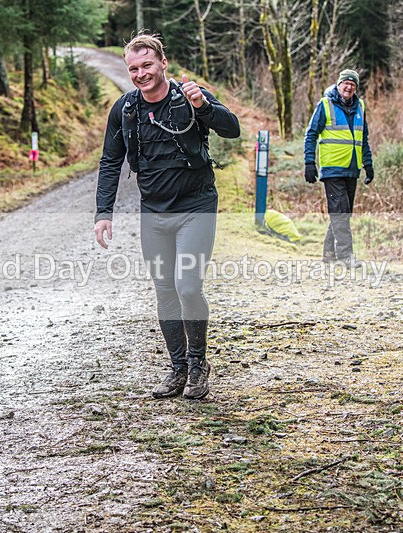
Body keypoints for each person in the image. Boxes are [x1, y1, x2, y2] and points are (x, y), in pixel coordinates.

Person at [94, 32, 240, 400]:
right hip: (153, 214)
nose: (141, 74)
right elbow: (111, 161)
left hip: (196, 208)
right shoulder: (125, 109)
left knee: (187, 286)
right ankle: (177, 369)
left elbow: (232, 128)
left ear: (163, 63)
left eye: (147, 65)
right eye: (133, 68)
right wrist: (103, 212)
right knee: (164, 291)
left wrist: (204, 106)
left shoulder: (191, 95)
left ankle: (197, 364)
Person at [304, 69, 373, 265]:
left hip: (352, 169)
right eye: (346, 83)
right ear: (338, 84)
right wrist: (309, 162)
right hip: (332, 169)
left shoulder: (360, 106)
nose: (349, 87)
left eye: (353, 84)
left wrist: (368, 165)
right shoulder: (325, 105)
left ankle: (329, 254)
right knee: (341, 211)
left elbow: (363, 138)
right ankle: (345, 256)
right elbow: (311, 135)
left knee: (342, 212)